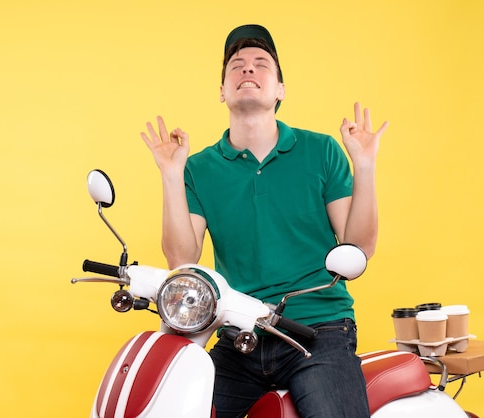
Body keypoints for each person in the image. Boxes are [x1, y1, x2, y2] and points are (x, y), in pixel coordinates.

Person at [140, 24, 388, 418]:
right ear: (222, 91)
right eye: (236, 66)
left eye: (261, 64)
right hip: (239, 333)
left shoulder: (321, 150)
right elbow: (182, 260)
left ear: (280, 90)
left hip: (318, 330)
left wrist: (365, 165)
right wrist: (171, 175)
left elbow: (360, 248)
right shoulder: (199, 168)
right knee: (178, 407)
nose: (248, 71)